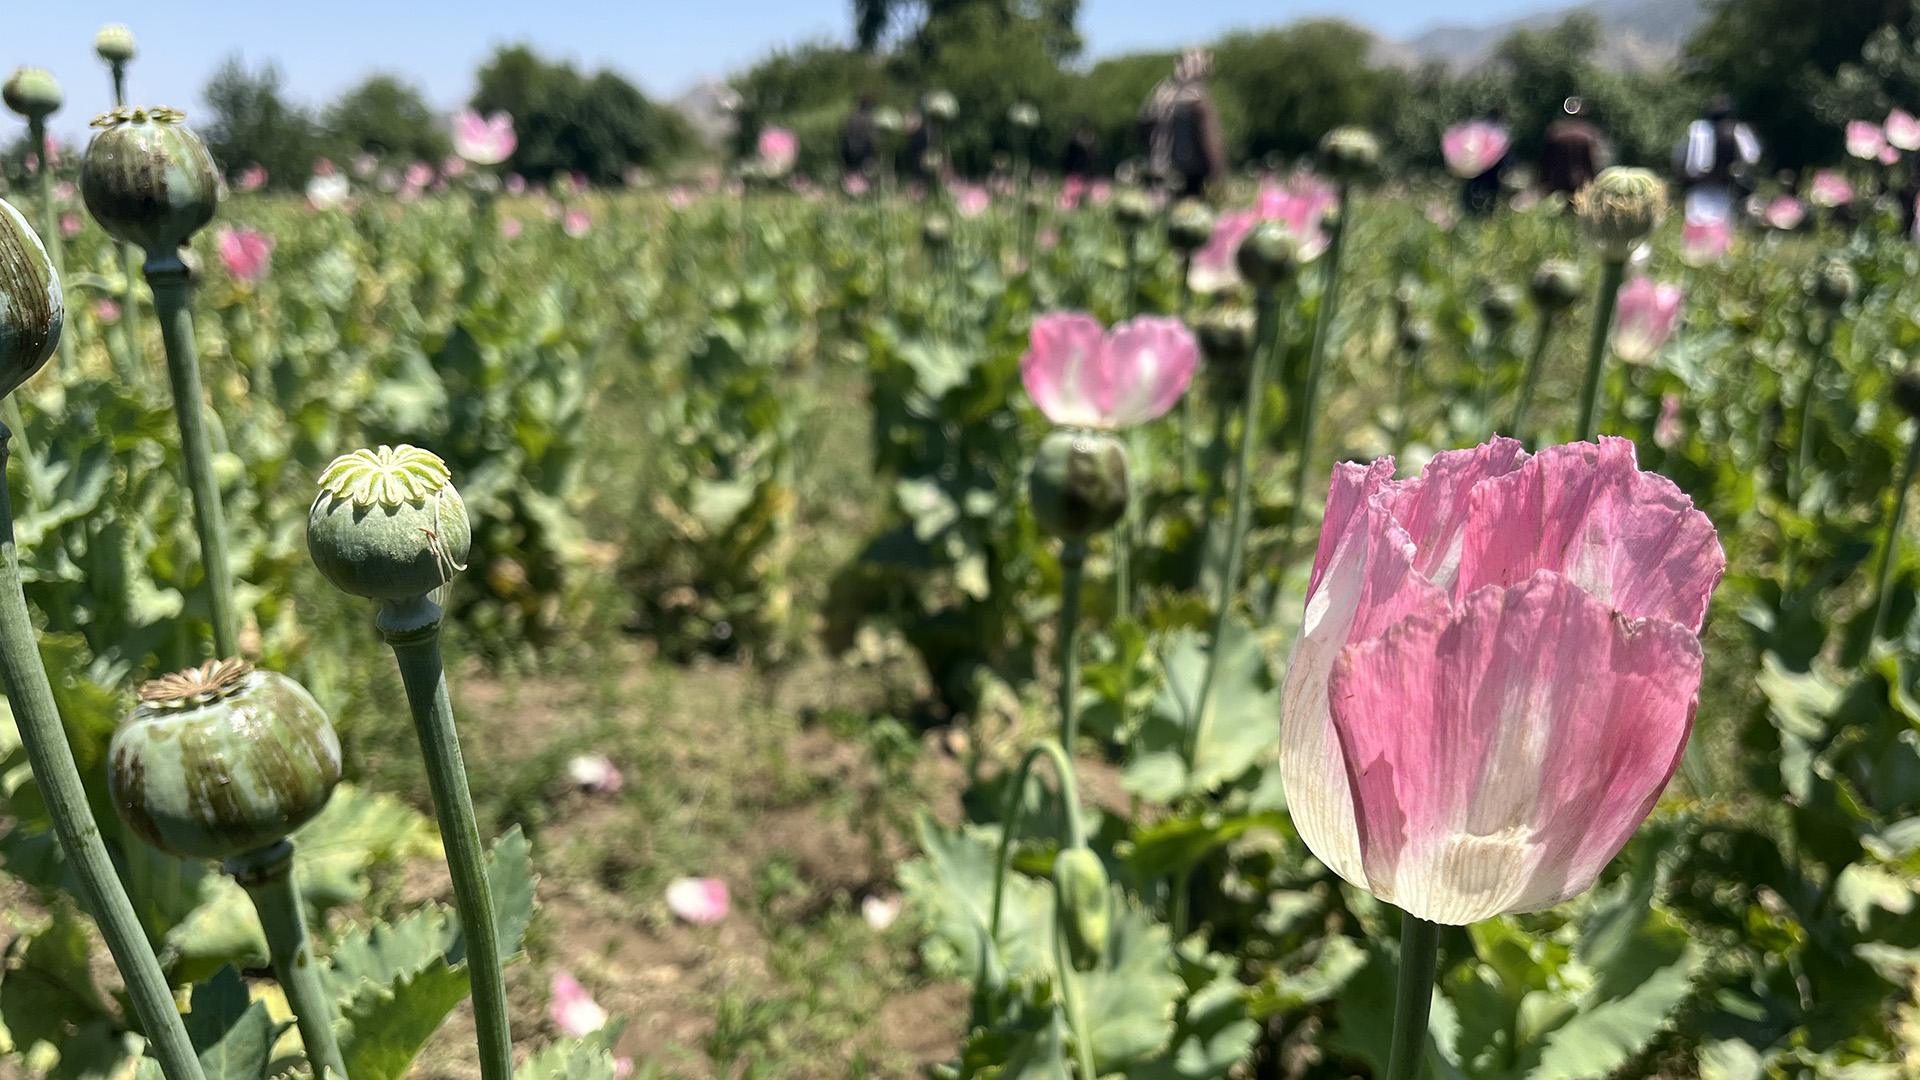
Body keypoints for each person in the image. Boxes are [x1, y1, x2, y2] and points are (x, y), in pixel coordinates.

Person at [1141, 48, 1226, 199]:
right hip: (1191, 172)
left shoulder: (1160, 93)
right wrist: (1219, 174)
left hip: (1159, 168)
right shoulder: (1197, 96)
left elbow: (1144, 125)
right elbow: (1210, 139)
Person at [1677, 94, 1760, 225]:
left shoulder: (1736, 132)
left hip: (1722, 189)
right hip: (1700, 189)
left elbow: (1751, 157)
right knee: (1700, 229)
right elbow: (1752, 157)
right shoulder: (1698, 131)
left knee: (1716, 230)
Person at [1539, 97, 1609, 199]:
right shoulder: (1589, 133)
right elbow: (1594, 162)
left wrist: (1543, 181)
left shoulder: (1556, 132)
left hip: (1558, 182)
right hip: (1582, 182)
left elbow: (1546, 161)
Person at [840, 95, 879, 182]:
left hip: (850, 147)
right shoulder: (869, 118)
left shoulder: (852, 116)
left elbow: (846, 132)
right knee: (863, 172)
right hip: (863, 148)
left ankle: (852, 186)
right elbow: (873, 136)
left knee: (851, 171)